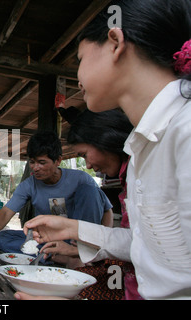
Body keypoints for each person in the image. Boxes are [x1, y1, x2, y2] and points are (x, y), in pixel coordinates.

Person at [18, 0, 191, 300]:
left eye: (81, 58)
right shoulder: (142, 148)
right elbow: (146, 245)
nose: (79, 76)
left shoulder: (184, 131)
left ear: (114, 42)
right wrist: (72, 227)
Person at [0, 130, 114, 263]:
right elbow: (5, 213)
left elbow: (107, 211)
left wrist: (101, 245)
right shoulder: (29, 185)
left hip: (76, 240)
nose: (35, 168)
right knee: (2, 237)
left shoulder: (81, 179)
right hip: (44, 239)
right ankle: (51, 255)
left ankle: (77, 254)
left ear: (58, 161)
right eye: (32, 162)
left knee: (89, 191)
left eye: (42, 162)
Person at [41, 108, 142, 300]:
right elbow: (137, 240)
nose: (87, 165)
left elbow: (153, 244)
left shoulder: (84, 183)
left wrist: (75, 238)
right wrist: (76, 249)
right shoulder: (127, 175)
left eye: (85, 154)